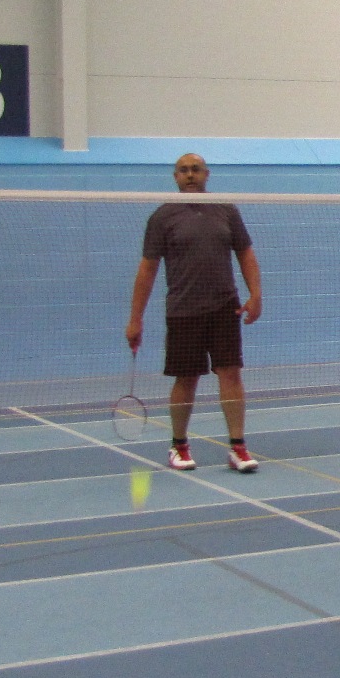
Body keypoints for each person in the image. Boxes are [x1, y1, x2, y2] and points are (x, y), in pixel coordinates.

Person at [126, 154, 263, 471]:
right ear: (175, 177)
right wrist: (135, 318)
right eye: (183, 171)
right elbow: (147, 270)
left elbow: (246, 253)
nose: (190, 175)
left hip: (225, 307)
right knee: (185, 379)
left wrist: (256, 294)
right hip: (183, 311)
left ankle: (237, 448)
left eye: (196, 170)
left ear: (206, 175)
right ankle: (179, 446)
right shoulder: (162, 217)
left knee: (230, 373)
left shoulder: (226, 210)